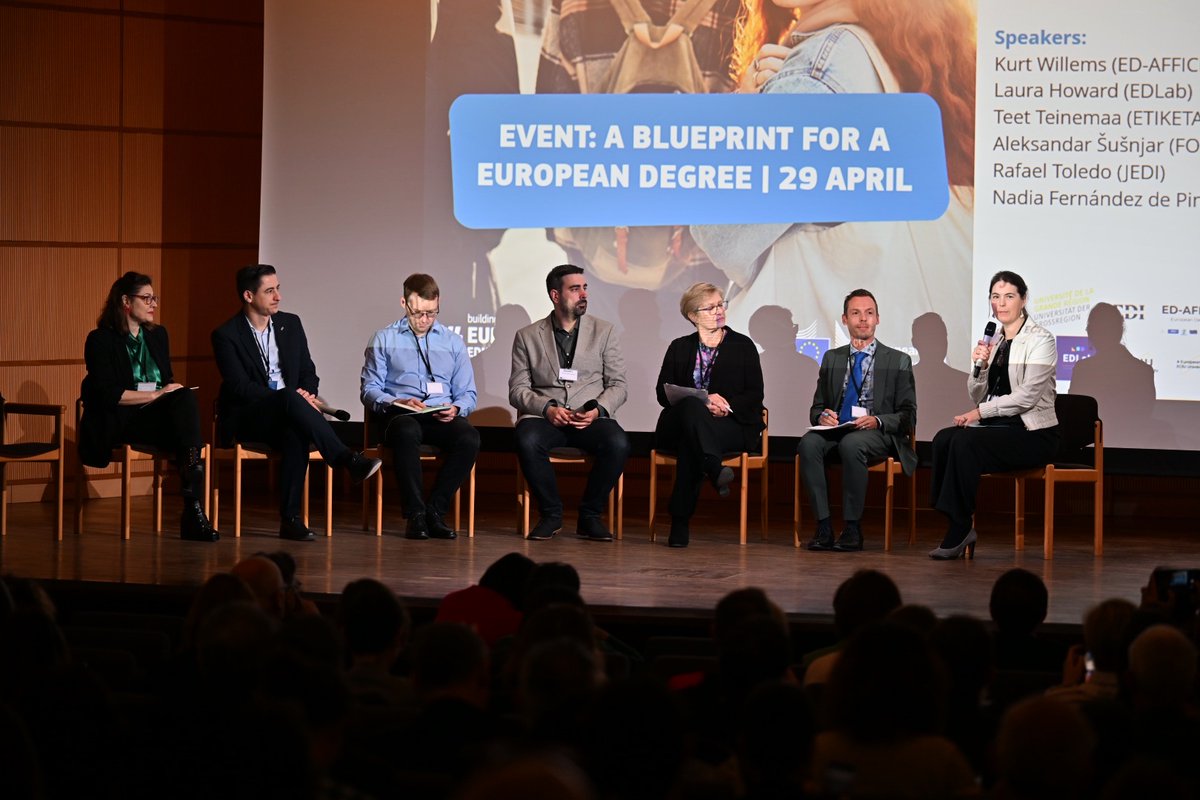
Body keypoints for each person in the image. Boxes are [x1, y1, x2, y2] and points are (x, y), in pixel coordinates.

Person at [693, 0, 976, 358]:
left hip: (812, 370)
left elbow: (722, 232)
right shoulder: (895, 47)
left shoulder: (822, 66)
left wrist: (742, 116)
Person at [211, 264, 381, 541]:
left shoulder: (291, 324)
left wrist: (305, 393)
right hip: (248, 417)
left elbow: (308, 372)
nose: (278, 296)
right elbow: (240, 387)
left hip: (287, 412)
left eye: (278, 288)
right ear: (248, 296)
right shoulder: (226, 335)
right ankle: (345, 458)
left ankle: (290, 520)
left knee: (296, 433)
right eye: (269, 291)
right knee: (289, 398)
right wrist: (287, 397)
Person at [79, 271, 219, 542]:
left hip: (155, 420)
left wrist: (168, 392)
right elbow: (109, 395)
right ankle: (193, 502)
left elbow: (166, 380)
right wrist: (157, 396)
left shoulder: (157, 335)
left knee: (184, 396)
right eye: (147, 298)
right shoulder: (100, 340)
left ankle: (192, 498)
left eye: (154, 298)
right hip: (123, 420)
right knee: (187, 431)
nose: (154, 303)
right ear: (125, 302)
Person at [929, 270, 1059, 560]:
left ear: (1023, 300)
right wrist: (981, 365)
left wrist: (979, 412)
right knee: (942, 440)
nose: (1001, 303)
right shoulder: (995, 341)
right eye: (995, 297)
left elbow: (1027, 396)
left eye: (1009, 296)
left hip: (1033, 432)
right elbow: (976, 393)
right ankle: (954, 519)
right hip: (997, 427)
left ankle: (961, 527)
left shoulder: (1041, 340)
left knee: (965, 443)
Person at [508, 264, 630, 541]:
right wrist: (547, 408)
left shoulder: (605, 331)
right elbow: (517, 390)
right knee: (526, 439)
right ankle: (551, 514)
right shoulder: (527, 336)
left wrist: (597, 410)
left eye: (585, 288)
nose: (583, 294)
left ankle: (590, 516)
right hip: (545, 418)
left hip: (588, 418)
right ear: (555, 295)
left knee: (619, 442)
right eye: (575, 289)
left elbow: (618, 385)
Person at [361, 273, 480, 540]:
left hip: (440, 415)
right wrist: (395, 401)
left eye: (432, 313)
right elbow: (369, 390)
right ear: (404, 303)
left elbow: (468, 393)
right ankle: (415, 515)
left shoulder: (452, 342)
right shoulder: (383, 338)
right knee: (406, 431)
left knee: (469, 438)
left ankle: (434, 512)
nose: (425, 320)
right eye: (418, 313)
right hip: (401, 415)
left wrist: (457, 408)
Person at [798, 289, 917, 552]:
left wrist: (878, 421)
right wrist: (822, 416)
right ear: (845, 319)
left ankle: (852, 527)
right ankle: (824, 526)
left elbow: (908, 415)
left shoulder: (898, 360)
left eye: (869, 313)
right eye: (856, 313)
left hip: (876, 433)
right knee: (808, 444)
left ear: (877, 319)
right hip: (839, 430)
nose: (863, 319)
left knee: (852, 444)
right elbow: (816, 407)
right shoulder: (833, 358)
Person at [653, 282, 764, 548]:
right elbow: (662, 393)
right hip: (681, 423)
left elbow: (754, 394)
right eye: (710, 307)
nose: (718, 311)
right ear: (693, 316)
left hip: (728, 424)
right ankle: (713, 467)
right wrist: (702, 400)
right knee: (692, 409)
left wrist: (724, 405)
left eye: (720, 304)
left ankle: (680, 520)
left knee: (691, 443)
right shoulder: (679, 347)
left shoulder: (742, 345)